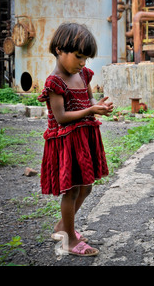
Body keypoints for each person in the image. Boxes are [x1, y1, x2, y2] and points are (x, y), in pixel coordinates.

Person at [38, 23, 113, 257]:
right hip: (66, 143)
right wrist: (91, 110)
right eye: (79, 56)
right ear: (60, 49)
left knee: (87, 186)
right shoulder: (55, 82)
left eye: (86, 58)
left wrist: (98, 106)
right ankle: (69, 239)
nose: (82, 63)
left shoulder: (82, 74)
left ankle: (63, 226)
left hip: (84, 137)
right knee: (70, 191)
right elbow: (61, 118)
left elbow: (89, 101)